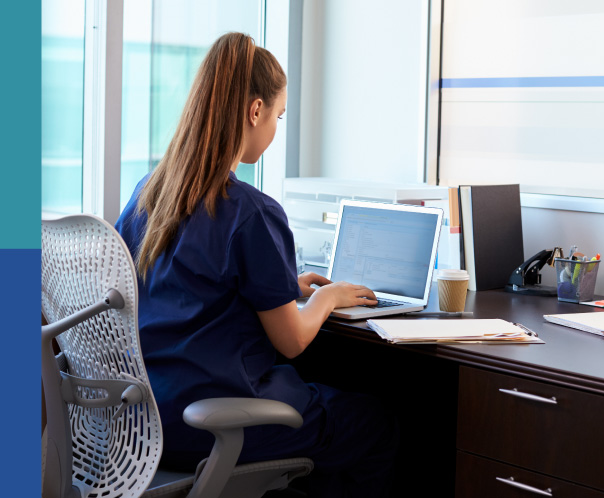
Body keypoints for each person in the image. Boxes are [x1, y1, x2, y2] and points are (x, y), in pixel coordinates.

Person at [115, 32, 398, 497]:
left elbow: (189, 292)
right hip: (212, 424)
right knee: (374, 424)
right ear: (255, 110)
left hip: (145, 420)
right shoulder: (253, 212)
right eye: (279, 115)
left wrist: (289, 286)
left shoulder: (149, 193)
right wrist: (326, 297)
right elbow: (291, 341)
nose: (274, 128)